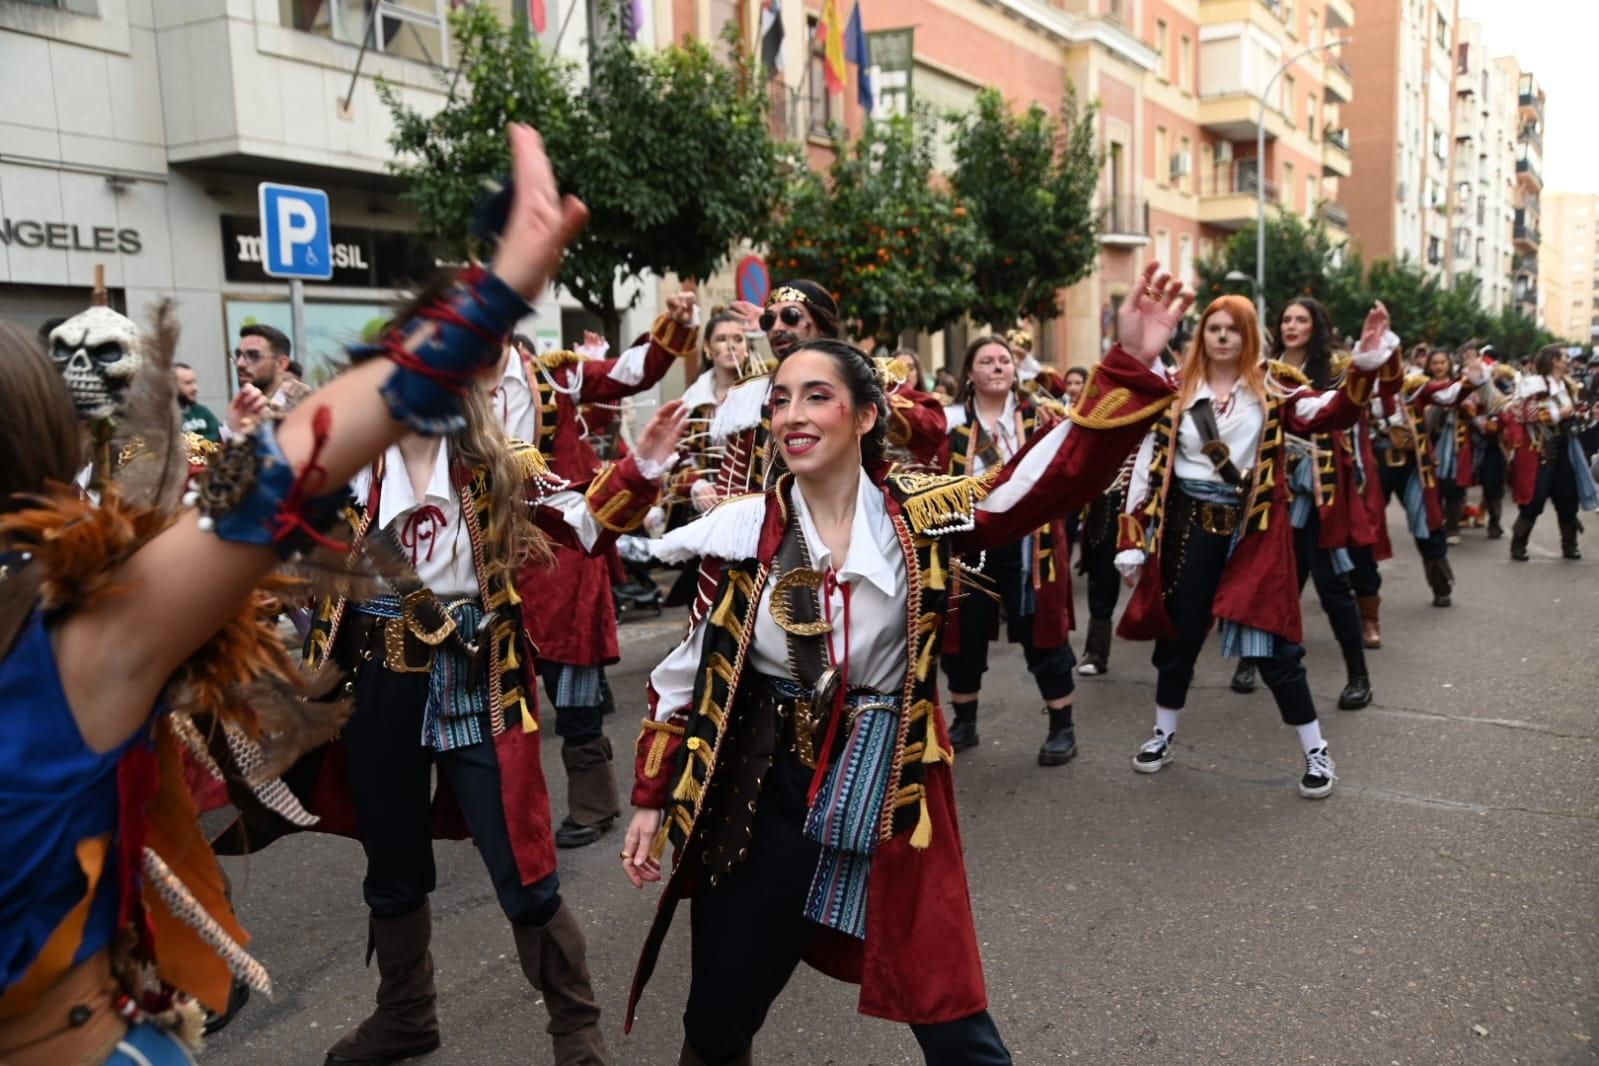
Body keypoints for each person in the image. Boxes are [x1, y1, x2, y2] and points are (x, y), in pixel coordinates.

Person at [0, 121, 589, 1066]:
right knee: (393, 864)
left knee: (521, 863)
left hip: (475, 673)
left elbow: (573, 510)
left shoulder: (489, 459)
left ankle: (578, 1035)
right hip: (381, 678)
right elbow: (273, 498)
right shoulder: (84, 631)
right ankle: (409, 1013)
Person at [620, 261, 1190, 1065]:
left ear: (863, 416)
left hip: (888, 780)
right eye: (779, 399)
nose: (791, 414)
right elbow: (685, 672)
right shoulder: (741, 530)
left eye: (816, 395)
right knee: (716, 1020)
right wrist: (652, 795)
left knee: (949, 1013)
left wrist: (1125, 364)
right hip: (759, 788)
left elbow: (1039, 482)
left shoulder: (916, 517)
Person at [1115, 297, 1404, 799]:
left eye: (1234, 329)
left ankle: (1317, 751)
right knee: (1179, 639)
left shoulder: (1274, 388)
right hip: (1187, 530)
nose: (1223, 336)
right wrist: (1133, 539)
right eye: (1214, 328)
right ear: (1202, 334)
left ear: (1250, 336)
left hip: (1251, 533)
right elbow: (1148, 465)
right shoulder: (1176, 391)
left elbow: (1334, 412)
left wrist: (1364, 363)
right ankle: (1163, 734)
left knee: (1273, 648)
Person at [509, 295, 700, 850]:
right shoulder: (453, 400)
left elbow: (629, 373)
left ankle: (593, 805)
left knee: (574, 695)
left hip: (566, 555)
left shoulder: (557, 376)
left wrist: (673, 327)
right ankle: (506, 816)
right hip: (494, 566)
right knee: (499, 701)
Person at [1230, 297, 1379, 710]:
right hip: (1269, 491)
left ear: (1316, 325)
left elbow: (1346, 408)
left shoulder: (1333, 368)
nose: (1292, 325)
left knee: (1332, 587)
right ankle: (1250, 659)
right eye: (1286, 318)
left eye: (1301, 319)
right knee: (1268, 581)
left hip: (1316, 493)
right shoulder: (1260, 367)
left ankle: (1358, 676)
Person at [938, 335, 1080, 766]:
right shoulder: (950, 424)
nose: (997, 366)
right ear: (969, 373)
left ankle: (1062, 726)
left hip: (1029, 543)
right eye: (986, 360)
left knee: (1043, 632)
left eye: (1003, 360)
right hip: (970, 544)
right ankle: (965, 721)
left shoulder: (1042, 418)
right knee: (963, 634)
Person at [1506, 345, 1599, 560]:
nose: (1568, 361)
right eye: (1565, 357)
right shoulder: (1532, 383)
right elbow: (1523, 413)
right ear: (1554, 360)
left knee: (1567, 497)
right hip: (1540, 448)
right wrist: (1559, 412)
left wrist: (1585, 414)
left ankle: (1570, 545)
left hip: (1566, 445)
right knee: (1535, 499)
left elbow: (1575, 412)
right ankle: (1518, 545)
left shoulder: (1568, 384)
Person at [227, 323, 311, 435]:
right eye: (238, 355)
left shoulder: (302, 406)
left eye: (253, 355)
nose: (240, 364)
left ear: (281, 364)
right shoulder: (239, 408)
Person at [173, 361, 222, 443]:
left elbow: (218, 434)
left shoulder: (202, 411)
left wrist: (192, 443)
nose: (195, 388)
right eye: (188, 383)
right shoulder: (163, 418)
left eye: (195, 382)